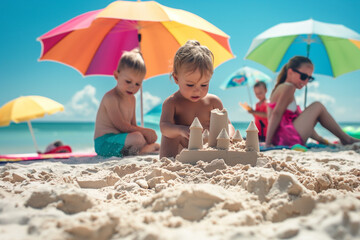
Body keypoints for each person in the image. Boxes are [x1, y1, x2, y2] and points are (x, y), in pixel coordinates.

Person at [160, 40, 235, 158]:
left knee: (217, 133)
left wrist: (229, 135)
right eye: (190, 85)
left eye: (204, 85)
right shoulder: (172, 103)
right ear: (176, 78)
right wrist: (180, 129)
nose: (197, 90)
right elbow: (164, 127)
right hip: (180, 150)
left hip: (206, 151)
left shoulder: (213, 102)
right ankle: (167, 162)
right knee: (171, 135)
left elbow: (228, 125)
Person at [265, 56, 359, 147]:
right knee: (317, 106)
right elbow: (276, 114)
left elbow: (305, 126)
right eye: (303, 76)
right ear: (290, 72)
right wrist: (267, 143)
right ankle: (346, 139)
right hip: (287, 138)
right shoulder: (289, 87)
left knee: (315, 110)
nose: (306, 82)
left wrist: (323, 141)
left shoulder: (282, 87)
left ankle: (341, 139)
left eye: (309, 78)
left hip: (283, 137)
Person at [94, 49, 160, 157]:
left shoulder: (132, 99)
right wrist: (145, 131)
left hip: (122, 139)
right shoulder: (110, 98)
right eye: (128, 81)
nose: (132, 87)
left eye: (138, 84)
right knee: (138, 137)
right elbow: (121, 126)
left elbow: (132, 125)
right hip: (104, 143)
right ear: (116, 76)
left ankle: (142, 148)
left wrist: (144, 134)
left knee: (140, 137)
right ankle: (142, 150)